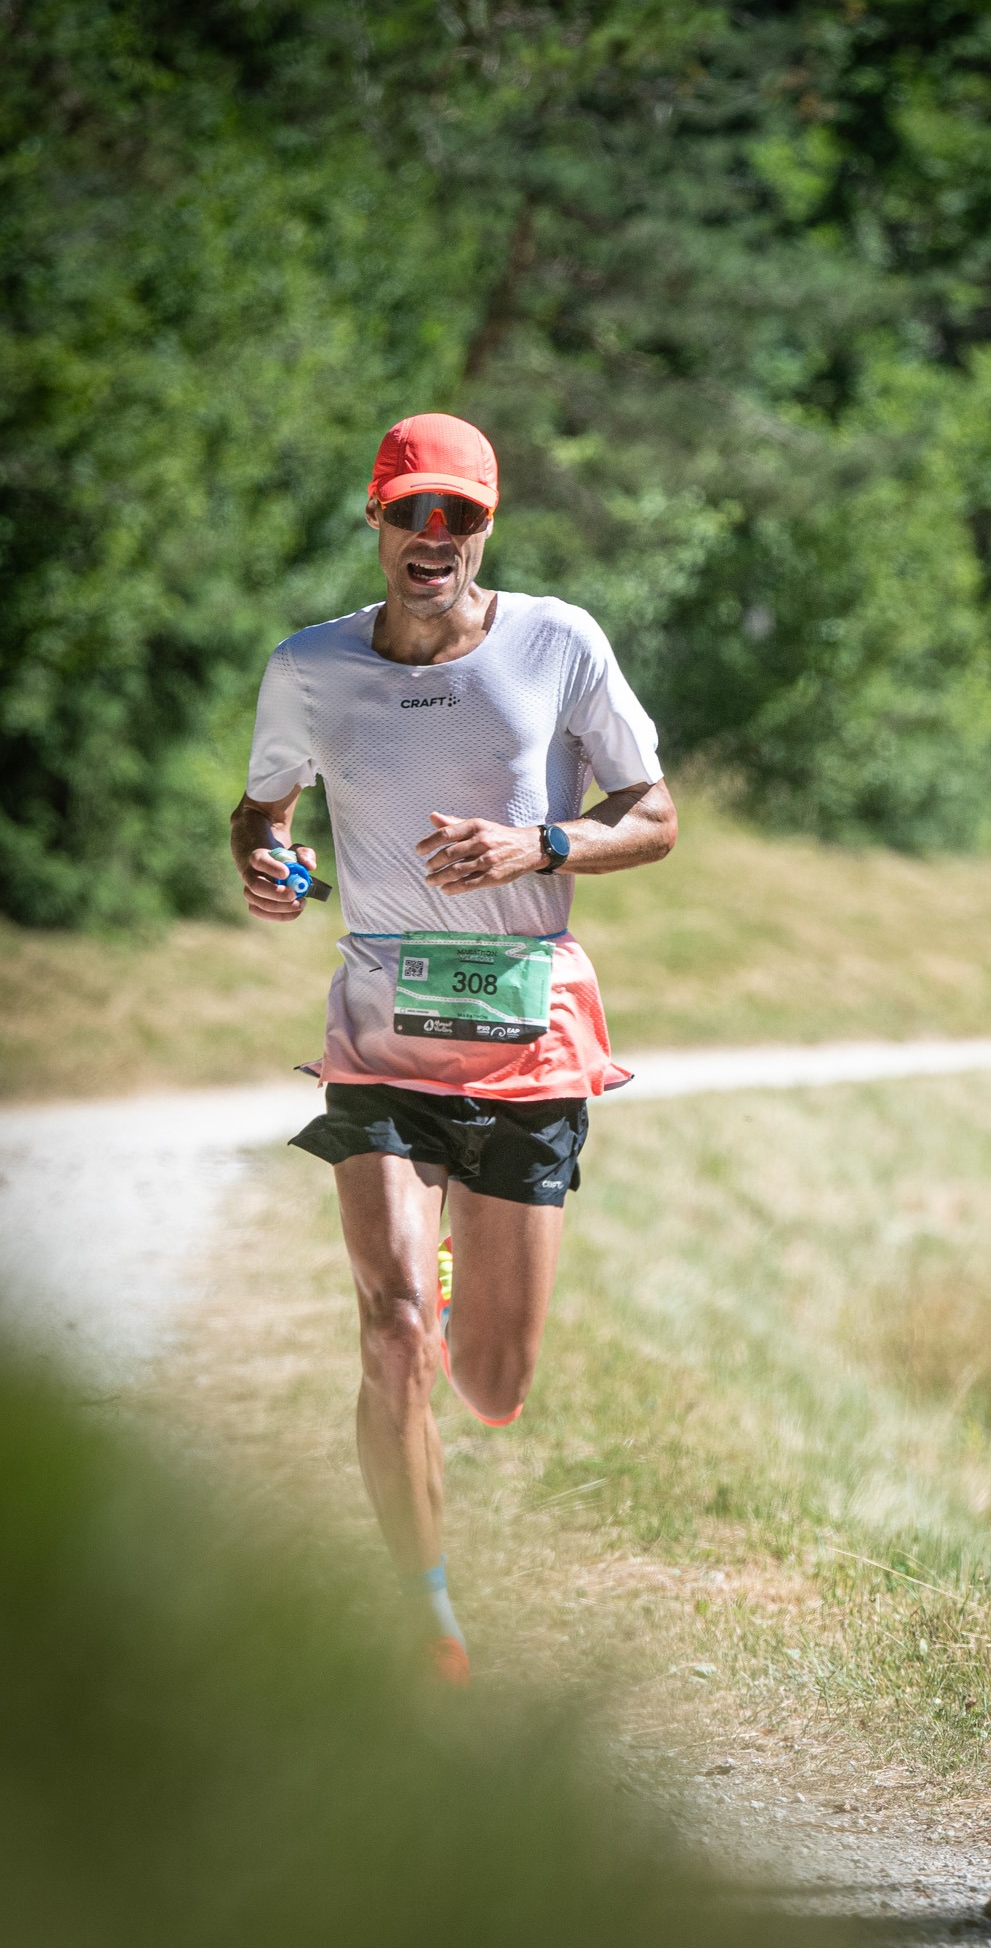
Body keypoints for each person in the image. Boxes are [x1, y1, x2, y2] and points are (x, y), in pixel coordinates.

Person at [230, 413, 676, 1683]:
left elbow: (654, 814)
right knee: (386, 1322)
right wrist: (270, 865)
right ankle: (427, 1619)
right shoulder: (308, 667)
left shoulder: (557, 641)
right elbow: (264, 813)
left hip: (521, 1031)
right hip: (377, 1024)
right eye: (410, 512)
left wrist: (536, 843)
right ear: (373, 519)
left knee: (488, 1377)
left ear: (488, 523)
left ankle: (450, 1318)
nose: (434, 538)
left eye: (459, 515)